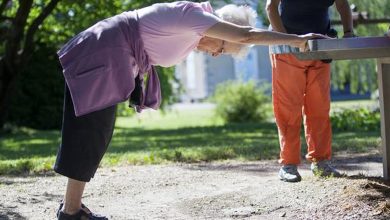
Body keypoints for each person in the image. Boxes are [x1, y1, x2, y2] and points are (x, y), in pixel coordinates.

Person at [54, 1, 326, 219]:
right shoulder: (193, 16)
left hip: (111, 54)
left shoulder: (191, 37)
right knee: (91, 132)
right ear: (220, 30)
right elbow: (245, 36)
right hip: (104, 50)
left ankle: (72, 209)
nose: (216, 53)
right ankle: (70, 211)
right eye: (222, 46)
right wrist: (296, 40)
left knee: (94, 133)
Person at [265, 0, 355, 182]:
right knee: (288, 109)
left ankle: (321, 162)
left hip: (320, 47)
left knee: (319, 107)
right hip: (286, 48)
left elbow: (343, 5)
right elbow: (270, 7)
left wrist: (348, 33)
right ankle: (288, 164)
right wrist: (288, 40)